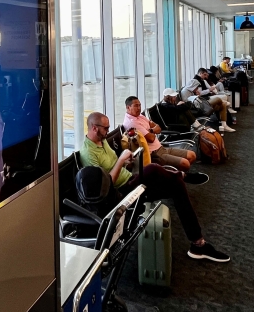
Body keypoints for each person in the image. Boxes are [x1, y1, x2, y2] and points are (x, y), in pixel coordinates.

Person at [79, 111, 230, 262]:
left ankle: (198, 243)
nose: (107, 131)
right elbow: (104, 187)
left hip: (130, 179)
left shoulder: (102, 140)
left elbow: (113, 165)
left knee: (176, 187)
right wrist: (120, 161)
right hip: (121, 193)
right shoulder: (88, 153)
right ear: (94, 128)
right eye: (105, 128)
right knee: (153, 169)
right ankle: (181, 175)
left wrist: (125, 162)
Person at [122, 96, 196, 172]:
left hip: (161, 147)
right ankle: (177, 177)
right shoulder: (132, 123)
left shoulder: (140, 116)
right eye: (136, 106)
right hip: (155, 154)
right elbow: (151, 138)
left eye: (139, 105)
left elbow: (158, 128)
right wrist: (153, 130)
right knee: (185, 163)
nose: (139, 108)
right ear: (128, 107)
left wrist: (150, 131)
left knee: (192, 155)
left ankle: (176, 175)